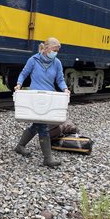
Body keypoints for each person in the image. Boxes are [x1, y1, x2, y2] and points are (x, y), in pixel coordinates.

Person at [14, 37, 70, 168]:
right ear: (46, 49)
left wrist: (65, 89)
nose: (55, 53)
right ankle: (48, 158)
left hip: (48, 98)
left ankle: (20, 146)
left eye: (57, 51)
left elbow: (60, 79)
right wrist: (18, 84)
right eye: (54, 50)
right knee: (43, 125)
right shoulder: (33, 60)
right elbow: (23, 74)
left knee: (37, 124)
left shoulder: (57, 63)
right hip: (35, 98)